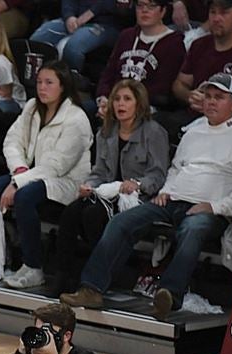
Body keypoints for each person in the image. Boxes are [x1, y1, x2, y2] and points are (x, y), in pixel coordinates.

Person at [61, 73, 232, 320]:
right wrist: (165, 190)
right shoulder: (193, 132)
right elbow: (175, 168)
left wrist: (214, 207)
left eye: (219, 98)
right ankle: (92, 288)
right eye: (208, 96)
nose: (211, 102)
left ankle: (169, 295)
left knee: (193, 230)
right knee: (121, 221)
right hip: (172, 199)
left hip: (209, 210)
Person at [0, 61, 93, 289]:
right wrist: (20, 170)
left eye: (49, 83)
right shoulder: (32, 106)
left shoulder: (76, 119)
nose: (42, 87)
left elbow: (57, 166)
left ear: (63, 87)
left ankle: (33, 266)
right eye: (40, 82)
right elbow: (13, 141)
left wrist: (17, 183)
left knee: (25, 197)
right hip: (29, 174)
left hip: (65, 181)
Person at [50, 80, 170, 296]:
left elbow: (158, 174)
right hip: (107, 192)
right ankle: (62, 276)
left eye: (127, 99)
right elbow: (100, 171)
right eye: (116, 99)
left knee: (93, 215)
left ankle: (103, 277)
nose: (120, 104)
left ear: (139, 104)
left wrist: (138, 184)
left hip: (136, 198)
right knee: (71, 212)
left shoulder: (153, 132)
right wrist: (90, 185)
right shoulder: (106, 132)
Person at [163, 0, 232, 134]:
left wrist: (222, 104)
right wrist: (189, 95)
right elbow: (180, 84)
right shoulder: (199, 45)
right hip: (193, 119)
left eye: (224, 13)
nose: (217, 18)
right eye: (213, 12)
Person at [94, 0, 186, 116]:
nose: (144, 10)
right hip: (115, 102)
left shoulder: (173, 43)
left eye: (151, 6)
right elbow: (109, 73)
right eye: (140, 5)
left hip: (146, 108)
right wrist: (104, 99)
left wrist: (124, 104)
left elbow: (162, 88)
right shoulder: (126, 36)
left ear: (162, 11)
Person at [29, 0, 122, 72]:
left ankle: (73, 88)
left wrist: (91, 13)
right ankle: (36, 84)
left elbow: (122, 6)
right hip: (75, 19)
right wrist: (69, 16)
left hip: (105, 24)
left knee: (73, 47)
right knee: (37, 39)